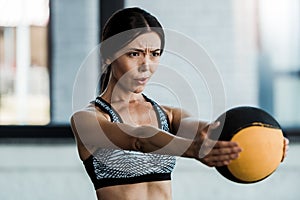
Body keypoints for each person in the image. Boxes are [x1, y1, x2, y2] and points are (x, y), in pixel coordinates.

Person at [70, 7, 289, 200]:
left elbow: (204, 129)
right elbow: (138, 138)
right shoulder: (87, 120)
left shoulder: (168, 115)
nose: (146, 65)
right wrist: (191, 148)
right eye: (134, 54)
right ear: (108, 55)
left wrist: (264, 144)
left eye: (155, 54)